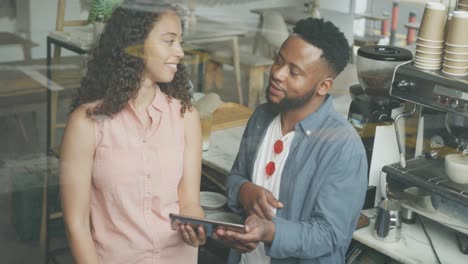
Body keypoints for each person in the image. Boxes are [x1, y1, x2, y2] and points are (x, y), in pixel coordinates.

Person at [59, 1, 206, 263]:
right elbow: (76, 225)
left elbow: (189, 202)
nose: (180, 52)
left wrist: (195, 224)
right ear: (135, 45)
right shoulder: (86, 124)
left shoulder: (186, 117)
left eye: (180, 41)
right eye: (169, 41)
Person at [215, 17, 368, 264]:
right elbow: (235, 176)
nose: (277, 73)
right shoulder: (262, 117)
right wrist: (244, 190)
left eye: (294, 72)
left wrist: (271, 231)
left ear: (323, 86)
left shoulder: (343, 147)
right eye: (278, 61)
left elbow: (330, 236)